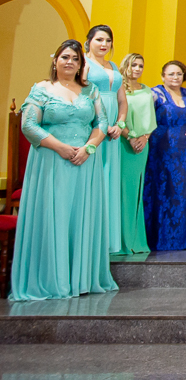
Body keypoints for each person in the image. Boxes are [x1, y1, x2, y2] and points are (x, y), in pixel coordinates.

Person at [9, 40, 119, 301]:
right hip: (51, 161)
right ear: (55, 60)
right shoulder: (42, 88)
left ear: (81, 64)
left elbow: (101, 121)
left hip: (84, 162)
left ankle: (80, 278)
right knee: (53, 216)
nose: (70, 62)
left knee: (80, 217)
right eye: (65, 57)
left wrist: (89, 148)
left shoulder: (89, 89)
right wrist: (59, 147)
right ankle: (51, 279)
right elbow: (28, 125)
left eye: (75, 59)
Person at [145, 61, 186, 251]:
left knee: (185, 192)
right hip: (162, 150)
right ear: (163, 76)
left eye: (179, 74)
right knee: (165, 191)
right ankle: (162, 239)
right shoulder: (155, 93)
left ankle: (185, 239)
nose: (175, 77)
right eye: (171, 74)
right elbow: (144, 116)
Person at [83, 24, 128, 254]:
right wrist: (102, 124)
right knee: (94, 177)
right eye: (99, 39)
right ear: (88, 41)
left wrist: (120, 124)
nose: (104, 44)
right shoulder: (82, 63)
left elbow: (122, 100)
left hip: (113, 131)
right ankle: (90, 236)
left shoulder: (112, 66)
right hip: (93, 125)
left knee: (110, 177)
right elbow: (81, 95)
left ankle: (107, 238)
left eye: (108, 41)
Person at [114, 53, 154, 255]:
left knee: (136, 190)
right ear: (125, 66)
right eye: (134, 65)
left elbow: (151, 119)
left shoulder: (147, 90)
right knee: (121, 190)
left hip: (142, 145)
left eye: (141, 65)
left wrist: (144, 137)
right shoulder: (118, 88)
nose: (137, 69)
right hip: (122, 143)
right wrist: (129, 137)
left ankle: (135, 240)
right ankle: (119, 240)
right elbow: (114, 116)